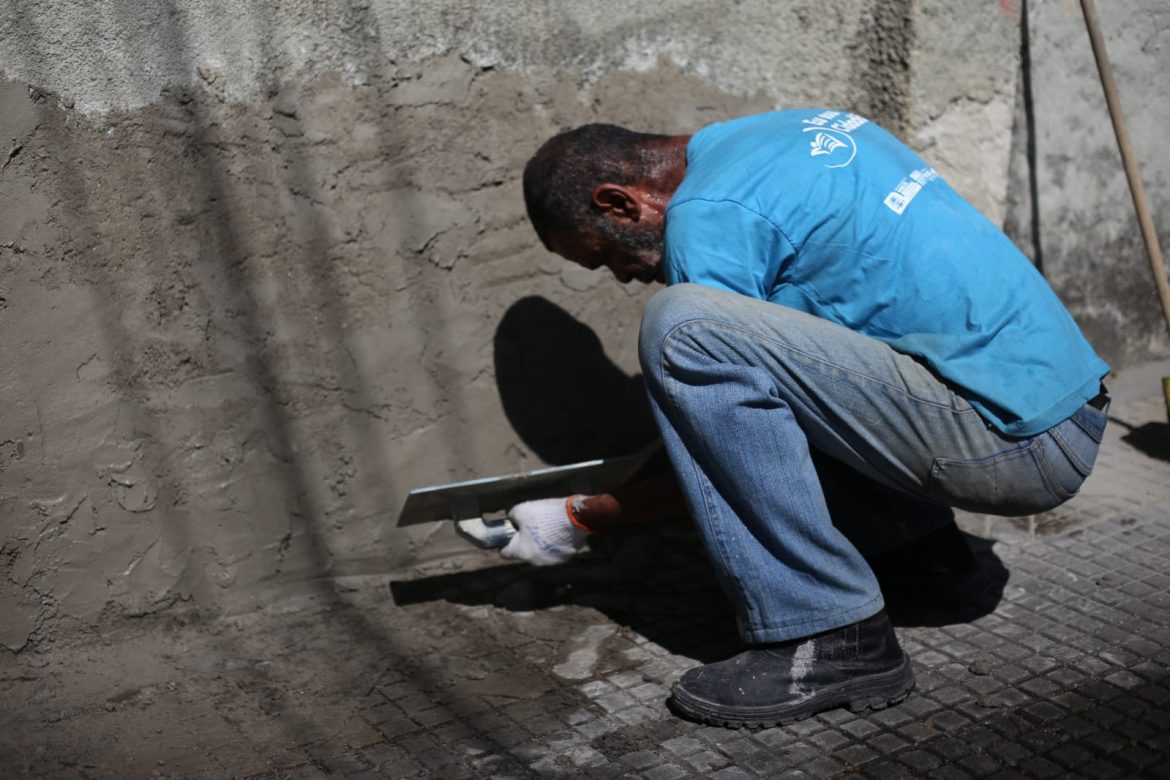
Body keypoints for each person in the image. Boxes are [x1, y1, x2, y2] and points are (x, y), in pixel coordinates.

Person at [501, 110, 1110, 728]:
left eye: (604, 256)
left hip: (1013, 447)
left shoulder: (707, 222)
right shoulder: (782, 133)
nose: (623, 275)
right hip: (1062, 406)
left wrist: (583, 517)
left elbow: (731, 456)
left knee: (682, 327)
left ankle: (828, 634)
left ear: (619, 203)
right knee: (794, 353)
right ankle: (920, 552)